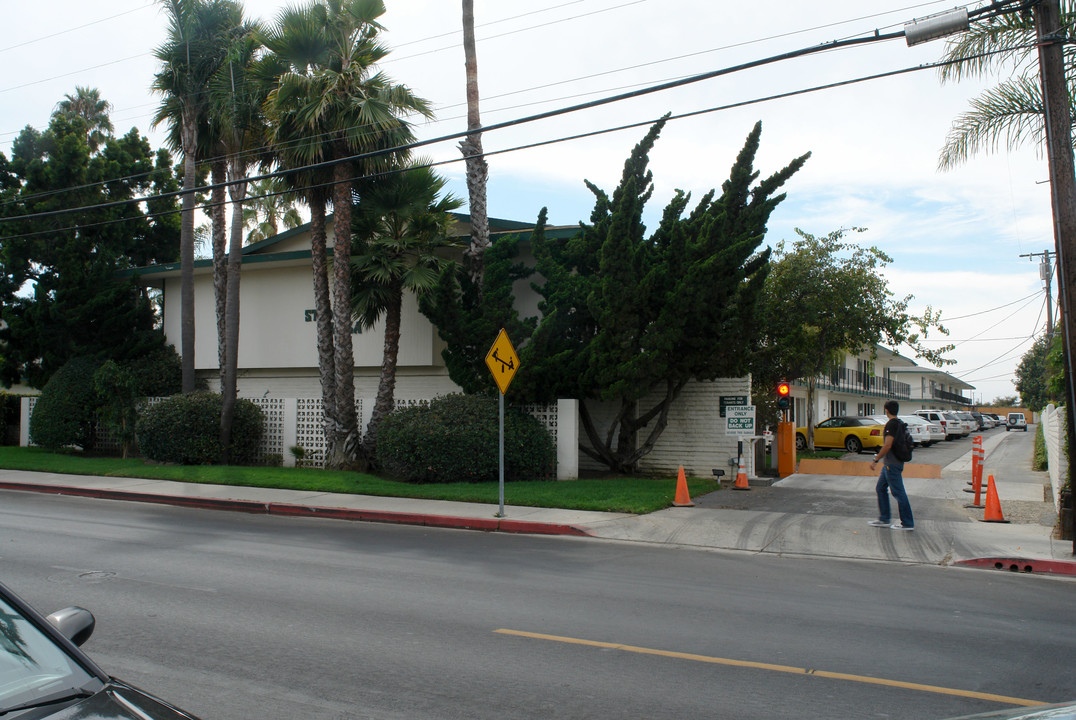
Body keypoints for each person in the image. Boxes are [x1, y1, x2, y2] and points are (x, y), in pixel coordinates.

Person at [868, 400, 914, 531]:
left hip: (892, 464)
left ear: (886, 410)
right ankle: (884, 518)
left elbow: (888, 445)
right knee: (880, 488)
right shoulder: (899, 423)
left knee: (898, 493)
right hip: (891, 463)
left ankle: (907, 523)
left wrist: (875, 459)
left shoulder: (891, 425)